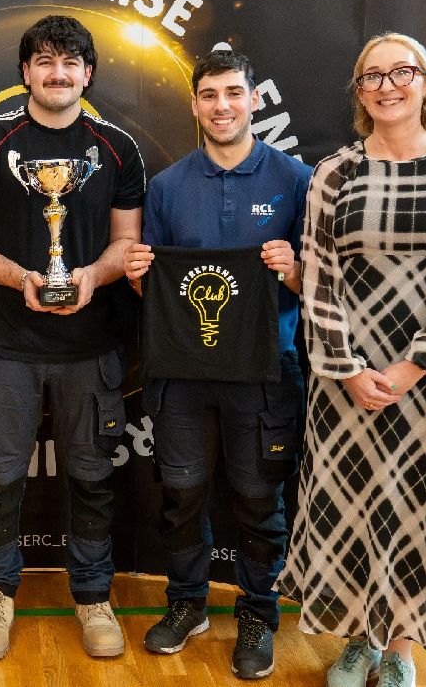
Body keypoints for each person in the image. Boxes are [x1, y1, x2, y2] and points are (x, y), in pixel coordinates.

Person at [276, 33, 426, 687]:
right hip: (344, 377)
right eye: (371, 76)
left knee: (415, 508)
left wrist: (412, 368)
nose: (385, 84)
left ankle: (399, 647)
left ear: (425, 84)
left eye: (401, 72)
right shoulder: (334, 172)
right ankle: (357, 641)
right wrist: (345, 368)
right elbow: (315, 279)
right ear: (358, 91)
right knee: (347, 508)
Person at [0, 14, 145, 660]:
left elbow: (126, 242)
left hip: (90, 347)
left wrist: (87, 276)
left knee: (90, 476)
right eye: (44, 61)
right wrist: (20, 278)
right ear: (25, 72)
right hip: (4, 344)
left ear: (87, 73)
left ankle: (92, 595)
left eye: (70, 62)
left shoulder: (116, 147)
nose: (57, 73)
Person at [122, 49, 311, 679]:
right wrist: (140, 276)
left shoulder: (296, 180)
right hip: (182, 375)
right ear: (195, 103)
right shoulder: (169, 186)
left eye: (234, 93)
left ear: (254, 99)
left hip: (265, 371)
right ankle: (187, 604)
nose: (222, 106)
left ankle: (258, 612)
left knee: (259, 498)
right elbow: (160, 292)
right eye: (209, 94)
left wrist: (295, 270)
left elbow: (325, 280)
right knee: (181, 492)